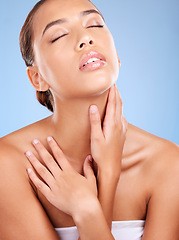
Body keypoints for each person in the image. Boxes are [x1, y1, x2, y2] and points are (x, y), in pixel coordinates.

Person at [0, 0, 179, 239]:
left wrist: (96, 195)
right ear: (37, 78)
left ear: (116, 55)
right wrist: (93, 201)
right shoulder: (10, 163)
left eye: (94, 25)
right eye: (59, 35)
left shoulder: (168, 164)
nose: (86, 39)